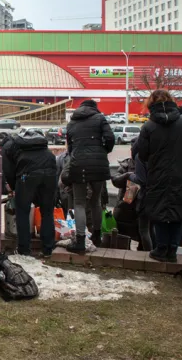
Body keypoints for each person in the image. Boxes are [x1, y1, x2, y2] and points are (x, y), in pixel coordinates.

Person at [136, 90, 182, 262]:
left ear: (151, 104)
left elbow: (142, 154)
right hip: (181, 174)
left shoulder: (148, 127)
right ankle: (172, 249)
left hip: (157, 175)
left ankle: (160, 249)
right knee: (177, 210)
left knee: (159, 211)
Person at [65, 99, 115, 253]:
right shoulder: (100, 118)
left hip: (78, 164)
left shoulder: (72, 123)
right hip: (98, 165)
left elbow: (70, 147)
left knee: (79, 203)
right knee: (96, 201)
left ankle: (80, 241)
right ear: (94, 108)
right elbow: (110, 138)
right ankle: (97, 236)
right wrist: (102, 151)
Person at [2, 130, 57, 258]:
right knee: (47, 211)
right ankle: (48, 249)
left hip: (27, 175)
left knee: (22, 211)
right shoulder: (42, 146)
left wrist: (14, 188)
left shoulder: (10, 146)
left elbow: (9, 171)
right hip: (49, 173)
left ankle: (24, 249)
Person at [110, 138, 153, 251]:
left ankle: (144, 252)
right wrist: (127, 176)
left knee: (145, 230)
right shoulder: (126, 164)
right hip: (126, 207)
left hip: (142, 205)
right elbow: (115, 180)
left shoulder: (149, 163)